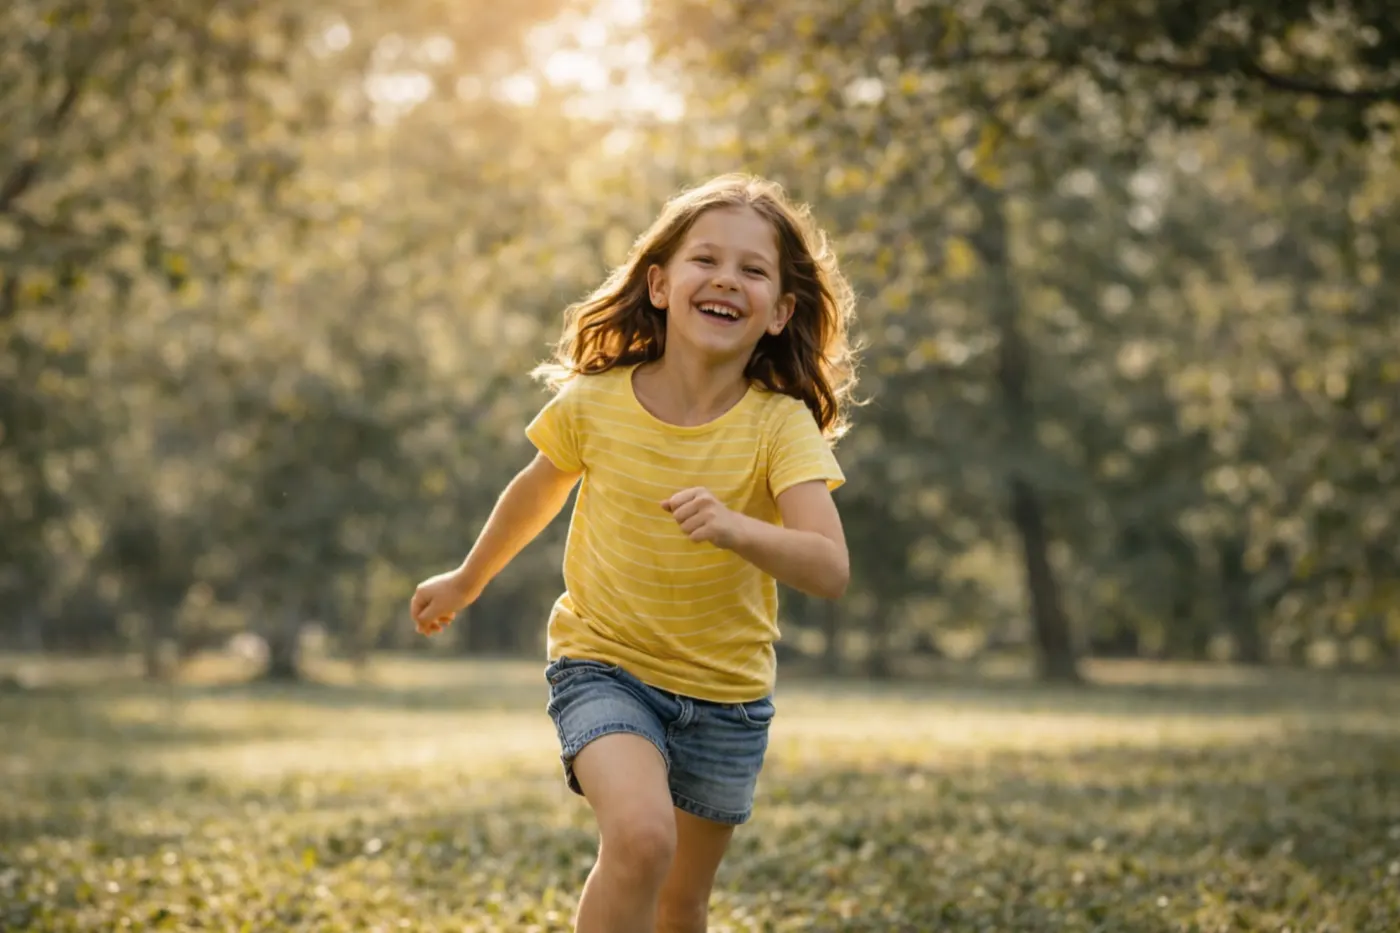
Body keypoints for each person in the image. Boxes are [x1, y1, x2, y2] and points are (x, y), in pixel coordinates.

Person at [409, 173, 861, 933]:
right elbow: (536, 491)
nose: (726, 279)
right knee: (641, 838)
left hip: (726, 696)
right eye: (705, 260)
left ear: (782, 311)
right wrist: (466, 578)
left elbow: (829, 567)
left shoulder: (780, 427)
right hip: (604, 664)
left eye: (753, 271)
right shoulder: (596, 400)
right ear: (659, 283)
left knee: (681, 902)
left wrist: (736, 527)